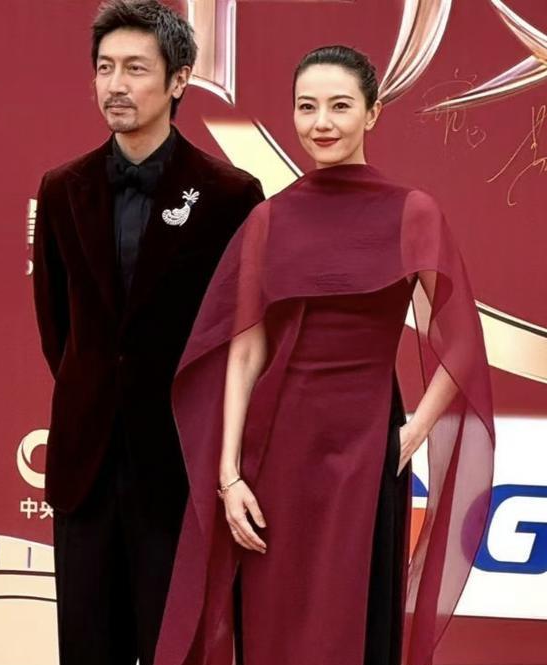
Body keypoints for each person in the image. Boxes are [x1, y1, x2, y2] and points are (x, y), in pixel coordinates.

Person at [154, 46, 495, 665]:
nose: (322, 123)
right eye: (307, 107)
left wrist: (410, 434)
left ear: (373, 113)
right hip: (276, 453)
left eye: (340, 106)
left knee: (355, 623)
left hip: (368, 448)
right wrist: (229, 475)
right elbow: (245, 352)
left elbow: (465, 345)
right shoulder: (269, 219)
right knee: (274, 622)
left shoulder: (412, 211)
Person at [32, 1, 263, 663]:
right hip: (85, 468)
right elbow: (58, 326)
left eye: (135, 68)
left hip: (179, 468)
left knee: (177, 649)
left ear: (179, 79)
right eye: (105, 68)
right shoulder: (62, 188)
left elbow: (241, 333)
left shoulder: (230, 195)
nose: (116, 84)